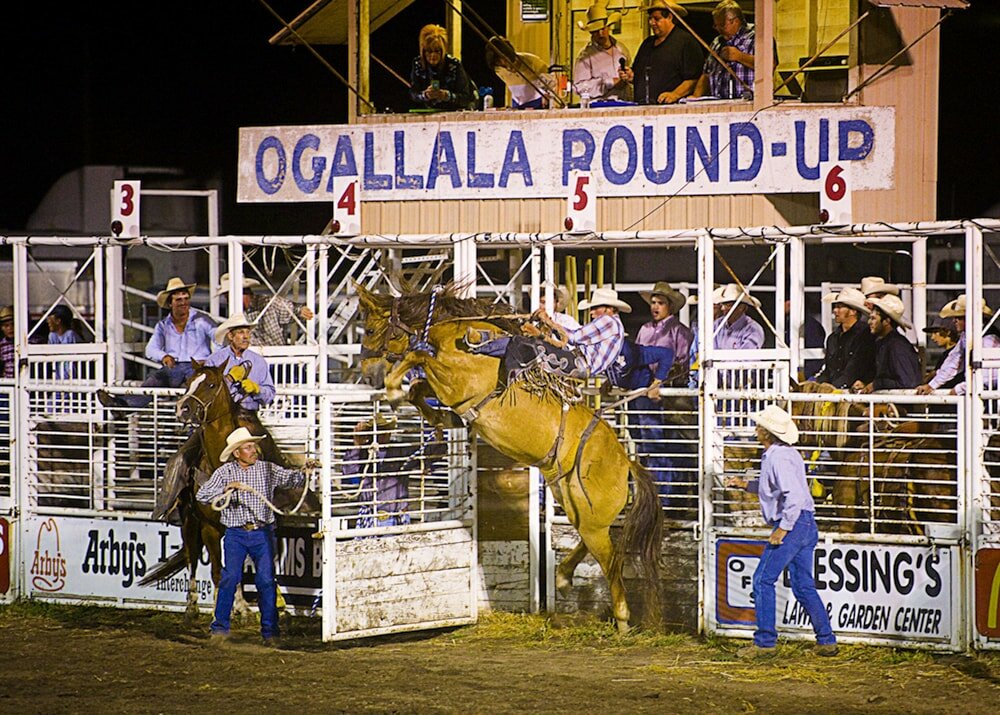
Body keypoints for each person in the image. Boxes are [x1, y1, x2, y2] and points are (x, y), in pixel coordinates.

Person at [724, 404, 838, 658]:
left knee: (762, 579)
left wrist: (783, 529)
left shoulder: (776, 457)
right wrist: (745, 485)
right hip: (805, 523)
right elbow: (778, 488)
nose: (756, 429)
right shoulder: (786, 454)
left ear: (767, 432)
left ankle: (765, 643)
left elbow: (793, 496)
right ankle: (826, 639)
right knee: (803, 585)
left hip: (793, 523)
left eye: (759, 426)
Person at [196, 427, 314, 646]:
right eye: (248, 447)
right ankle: (219, 629)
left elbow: (292, 479)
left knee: (266, 580)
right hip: (236, 533)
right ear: (236, 453)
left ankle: (270, 633)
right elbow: (202, 495)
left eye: (253, 446)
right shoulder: (225, 473)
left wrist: (305, 471)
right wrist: (225, 489)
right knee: (230, 578)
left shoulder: (267, 469)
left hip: (262, 532)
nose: (254, 451)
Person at [98, 277, 217, 409]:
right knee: (154, 380)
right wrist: (164, 356)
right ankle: (123, 406)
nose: (183, 303)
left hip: (198, 366)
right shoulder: (163, 325)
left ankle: (196, 417)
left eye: (186, 298)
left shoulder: (202, 320)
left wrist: (211, 361)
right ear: (170, 303)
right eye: (178, 300)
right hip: (175, 367)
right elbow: (151, 349)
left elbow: (218, 338)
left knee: (197, 387)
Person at [341, 418, 447, 528]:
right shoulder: (362, 452)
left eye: (385, 430)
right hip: (370, 516)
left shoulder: (400, 450)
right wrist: (357, 445)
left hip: (397, 516)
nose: (383, 434)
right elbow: (349, 473)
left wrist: (439, 438)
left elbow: (430, 454)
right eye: (379, 430)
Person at [621, 0, 702, 105]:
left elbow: (694, 79)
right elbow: (638, 73)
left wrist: (675, 94)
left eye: (656, 19)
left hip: (671, 109)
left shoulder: (686, 42)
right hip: (643, 108)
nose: (651, 23)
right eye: (650, 18)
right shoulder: (647, 44)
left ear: (670, 17)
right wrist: (632, 76)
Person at [916, 295, 1000, 395]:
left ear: (969, 318)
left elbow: (988, 378)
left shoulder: (989, 340)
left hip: (991, 394)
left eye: (958, 318)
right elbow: (954, 360)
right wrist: (932, 385)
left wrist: (959, 389)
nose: (954, 321)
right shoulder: (967, 336)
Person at [216, 273, 314, 347]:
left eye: (228, 297)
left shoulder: (267, 303)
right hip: (252, 359)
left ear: (244, 292)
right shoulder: (236, 313)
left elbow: (289, 308)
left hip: (275, 357)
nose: (228, 301)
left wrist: (300, 310)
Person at [204, 314, 276, 415]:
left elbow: (270, 397)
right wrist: (228, 379)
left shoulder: (258, 361)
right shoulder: (215, 360)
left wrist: (257, 389)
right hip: (222, 414)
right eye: (241, 332)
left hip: (249, 414)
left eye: (248, 332)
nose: (246, 337)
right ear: (230, 336)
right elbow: (206, 392)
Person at [852, 294, 920, 393]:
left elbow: (908, 382)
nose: (869, 322)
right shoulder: (884, 343)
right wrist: (867, 383)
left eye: (873, 318)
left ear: (886, 321)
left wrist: (876, 384)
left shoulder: (897, 346)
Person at [811, 287, 875, 388]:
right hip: (836, 390)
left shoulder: (865, 336)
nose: (835, 310)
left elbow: (855, 370)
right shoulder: (832, 338)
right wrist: (816, 384)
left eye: (840, 307)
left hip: (855, 392)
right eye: (835, 307)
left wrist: (832, 388)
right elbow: (829, 371)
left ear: (853, 311)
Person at [693, 0, 755, 99]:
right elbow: (706, 75)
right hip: (718, 104)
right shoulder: (716, 42)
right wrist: (695, 97)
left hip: (750, 104)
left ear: (735, 21)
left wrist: (740, 56)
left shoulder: (756, 37)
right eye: (716, 26)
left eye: (722, 25)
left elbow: (769, 66)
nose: (718, 29)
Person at [572, 4, 633, 102]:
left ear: (608, 28)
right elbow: (579, 87)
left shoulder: (621, 49)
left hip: (624, 103)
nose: (601, 34)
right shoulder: (585, 57)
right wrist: (609, 83)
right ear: (591, 32)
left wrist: (628, 77)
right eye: (596, 31)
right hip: (599, 107)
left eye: (603, 29)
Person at [409, 24, 477, 111]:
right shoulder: (417, 64)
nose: (433, 55)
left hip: (458, 111)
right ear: (423, 51)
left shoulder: (454, 65)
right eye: (429, 51)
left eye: (437, 51)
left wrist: (446, 96)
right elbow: (413, 93)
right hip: (430, 112)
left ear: (443, 50)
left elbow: (466, 98)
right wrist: (425, 95)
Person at [637, 281, 693, 386]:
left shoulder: (680, 331)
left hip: (670, 386)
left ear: (670, 306)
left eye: (660, 303)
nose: (655, 307)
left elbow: (684, 362)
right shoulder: (645, 329)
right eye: (653, 303)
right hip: (644, 384)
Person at [486, 36, 557, 109]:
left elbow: (550, 80)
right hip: (517, 104)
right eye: (499, 63)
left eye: (505, 59)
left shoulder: (531, 61)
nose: (504, 64)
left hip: (538, 103)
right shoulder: (498, 69)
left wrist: (545, 93)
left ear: (509, 53)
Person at [713, 283, 764, 350]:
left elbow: (746, 355)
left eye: (728, 305)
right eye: (722, 304)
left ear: (741, 307)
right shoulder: (717, 325)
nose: (722, 308)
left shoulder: (753, 329)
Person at [784, 299, 826, 381]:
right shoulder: (790, 324)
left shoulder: (811, 326)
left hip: (804, 374)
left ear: (789, 303)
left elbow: (814, 354)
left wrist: (806, 376)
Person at [921, 317, 961, 388]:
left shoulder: (957, 353)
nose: (932, 337)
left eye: (936, 332)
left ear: (948, 332)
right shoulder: (946, 354)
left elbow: (937, 373)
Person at [0, 306, 14, 379]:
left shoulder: (30, 341)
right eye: (6, 325)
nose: (10, 328)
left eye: (13, 324)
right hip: (8, 382)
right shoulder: (2, 344)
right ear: (2, 328)